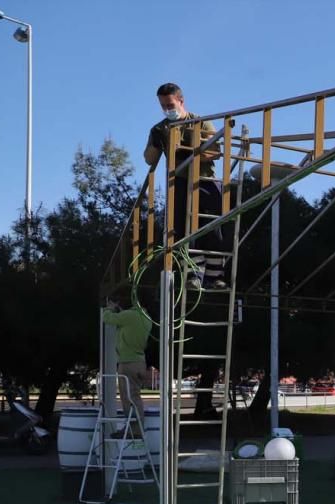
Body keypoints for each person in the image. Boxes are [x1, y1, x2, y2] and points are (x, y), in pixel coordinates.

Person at [144, 83, 228, 290]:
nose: (167, 109)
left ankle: (215, 277)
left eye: (170, 104)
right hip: (179, 183)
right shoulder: (160, 129)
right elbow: (148, 158)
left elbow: (215, 151)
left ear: (181, 101)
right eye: (163, 106)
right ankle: (193, 275)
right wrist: (156, 144)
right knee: (182, 229)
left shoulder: (200, 122)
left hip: (205, 180)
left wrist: (191, 151)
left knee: (211, 229)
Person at [103, 290, 153, 438]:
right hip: (139, 362)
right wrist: (120, 311)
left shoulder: (130, 316)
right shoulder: (146, 318)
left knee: (127, 397)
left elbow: (107, 318)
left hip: (127, 362)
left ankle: (134, 431)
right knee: (135, 396)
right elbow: (128, 323)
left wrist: (109, 307)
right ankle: (135, 429)